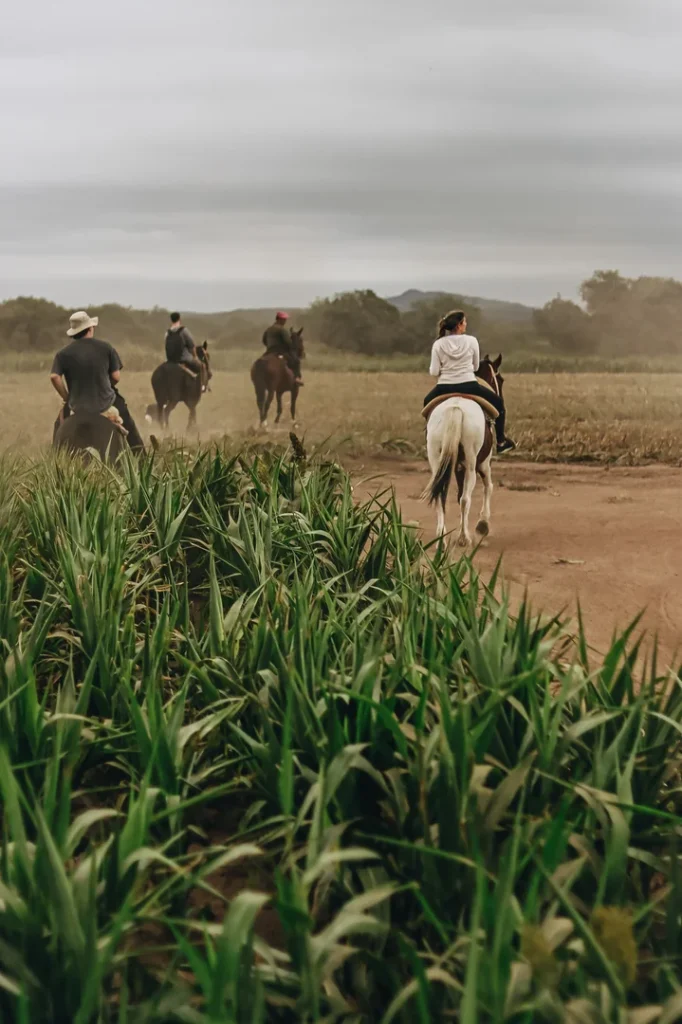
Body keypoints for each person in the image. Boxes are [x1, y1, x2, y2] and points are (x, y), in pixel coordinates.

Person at [50, 310, 145, 452]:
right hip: (106, 402)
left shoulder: (63, 353)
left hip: (77, 405)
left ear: (74, 332)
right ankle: (141, 457)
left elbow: (54, 376)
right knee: (128, 423)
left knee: (59, 426)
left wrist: (67, 397)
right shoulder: (106, 347)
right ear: (90, 328)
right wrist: (105, 384)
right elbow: (116, 377)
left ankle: (55, 458)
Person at [423, 310, 516, 454]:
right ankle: (501, 441)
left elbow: (434, 372)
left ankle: (429, 439)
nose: (466, 324)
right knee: (499, 404)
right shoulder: (472, 340)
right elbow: (476, 367)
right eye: (464, 322)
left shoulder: (438, 344)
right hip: (469, 385)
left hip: (443, 387)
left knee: (427, 404)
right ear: (459, 325)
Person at [262, 312, 303, 385]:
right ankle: (296, 378)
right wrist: (290, 347)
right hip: (280, 352)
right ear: (279, 320)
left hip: (269, 351)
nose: (285, 321)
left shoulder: (268, 329)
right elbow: (288, 342)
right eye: (284, 319)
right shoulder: (282, 330)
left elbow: (264, 340)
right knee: (296, 361)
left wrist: (269, 346)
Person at [165, 312, 203, 379]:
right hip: (184, 359)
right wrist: (195, 357)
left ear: (171, 320)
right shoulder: (184, 330)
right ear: (179, 319)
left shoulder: (167, 333)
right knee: (201, 368)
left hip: (170, 361)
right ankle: (201, 388)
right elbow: (192, 345)